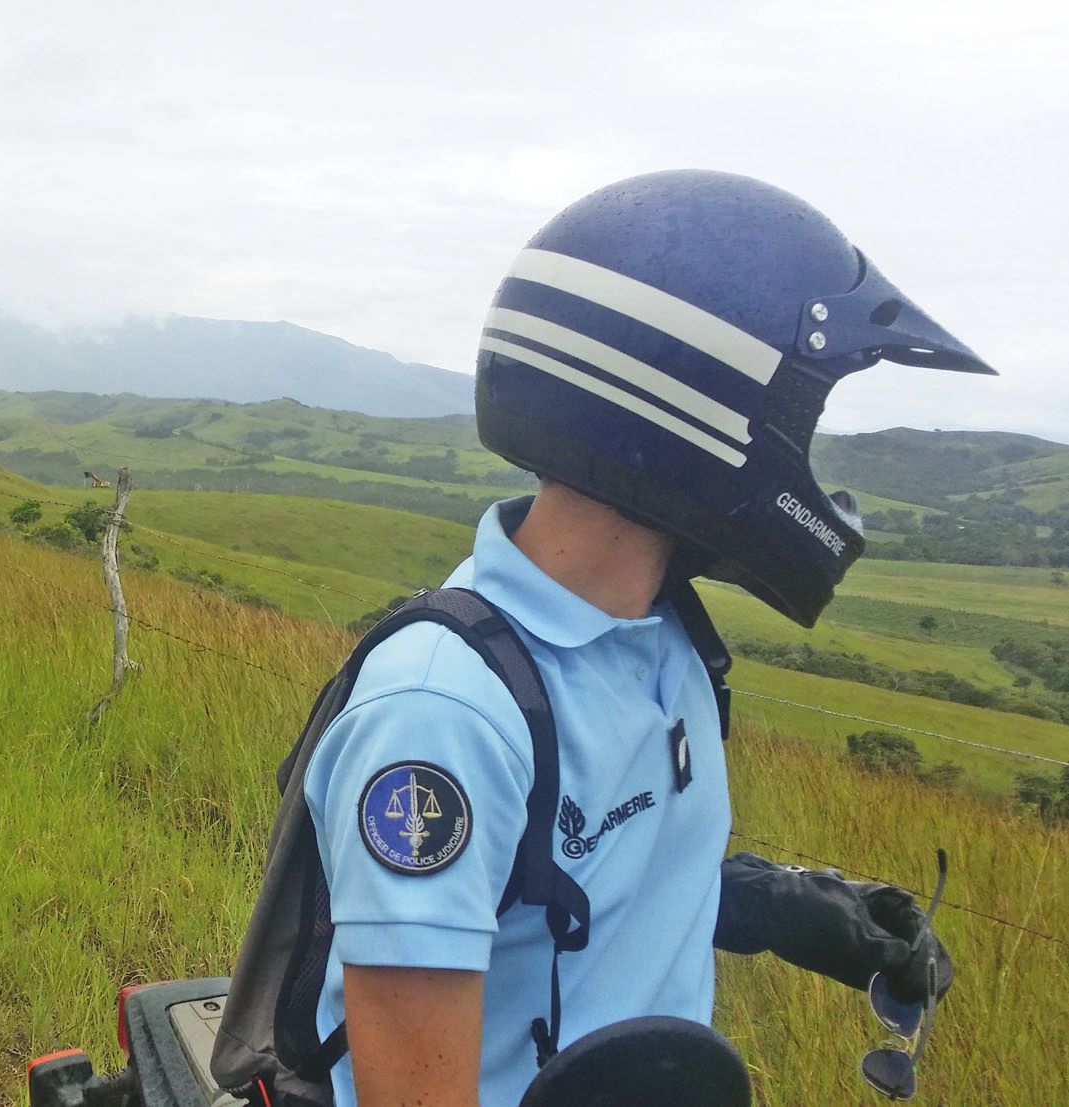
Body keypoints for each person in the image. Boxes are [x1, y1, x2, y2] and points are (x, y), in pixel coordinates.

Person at [303, 171, 974, 1106]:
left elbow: (576, 873)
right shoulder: (444, 714)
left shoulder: (663, 639)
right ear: (691, 411)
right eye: (804, 418)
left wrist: (770, 903)